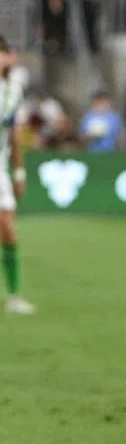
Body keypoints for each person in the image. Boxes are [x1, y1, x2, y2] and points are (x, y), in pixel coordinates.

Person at [0, 38, 34, 314]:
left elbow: (13, 135)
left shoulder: (12, 91)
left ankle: (13, 296)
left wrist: (18, 171)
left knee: (9, 232)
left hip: (0, 170)